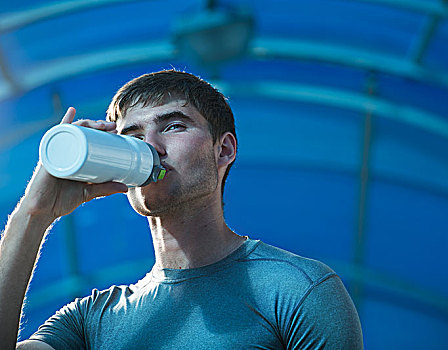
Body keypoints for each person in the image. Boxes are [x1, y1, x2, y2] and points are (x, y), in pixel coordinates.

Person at [0, 70, 363, 349]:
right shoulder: (90, 320)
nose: (152, 146)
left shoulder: (297, 290)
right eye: (134, 137)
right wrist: (33, 215)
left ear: (223, 151)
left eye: (173, 126)